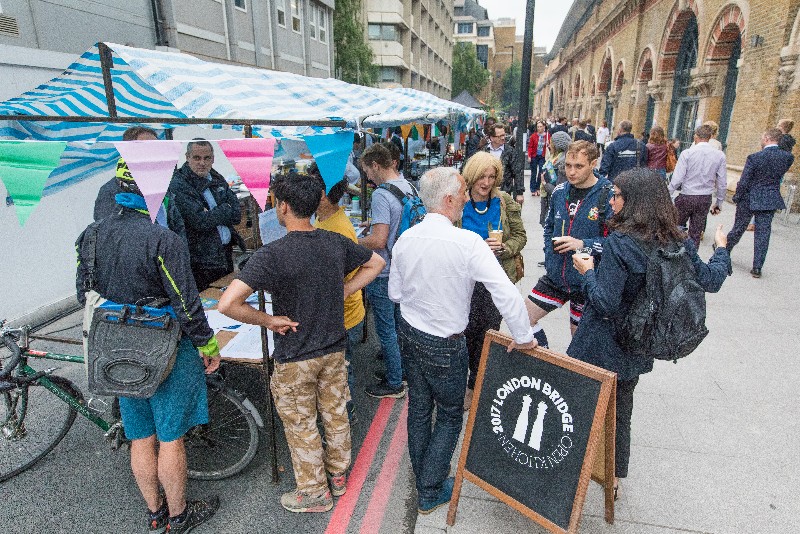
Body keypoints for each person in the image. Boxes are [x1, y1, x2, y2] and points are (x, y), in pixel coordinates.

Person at [218, 171, 384, 513]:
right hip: (334, 349)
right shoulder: (333, 241)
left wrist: (268, 320)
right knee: (336, 414)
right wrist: (346, 290)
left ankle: (313, 493)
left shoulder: (272, 254)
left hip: (295, 354)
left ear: (283, 207)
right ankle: (338, 477)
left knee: (301, 423)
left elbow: (227, 303)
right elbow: (377, 262)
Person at [568, 167, 731, 499]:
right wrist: (721, 248)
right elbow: (711, 280)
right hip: (637, 346)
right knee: (620, 412)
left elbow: (605, 302)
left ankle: (568, 468)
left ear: (633, 202)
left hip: (600, 345)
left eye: (615, 195)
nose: (610, 201)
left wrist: (586, 272)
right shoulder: (677, 241)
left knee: (578, 405)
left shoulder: (621, 243)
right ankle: (612, 478)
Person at [77, 169, 222, 534]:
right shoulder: (163, 239)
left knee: (139, 433)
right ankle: (179, 515)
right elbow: (186, 303)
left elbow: (84, 293)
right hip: (164, 344)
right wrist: (207, 343)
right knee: (171, 436)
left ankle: (154, 513)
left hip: (115, 346)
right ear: (155, 194)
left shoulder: (90, 235)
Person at [388, 166, 538, 515]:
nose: (468, 198)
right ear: (450, 199)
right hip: (445, 343)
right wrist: (524, 337)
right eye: (463, 192)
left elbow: (395, 292)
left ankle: (422, 472)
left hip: (410, 335)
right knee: (451, 416)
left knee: (420, 407)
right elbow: (506, 292)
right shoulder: (467, 242)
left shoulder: (407, 238)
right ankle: (429, 489)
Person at [458, 152, 547, 410]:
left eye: (491, 176)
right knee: (462, 333)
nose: (486, 182)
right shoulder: (459, 203)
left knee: (486, 334)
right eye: (481, 176)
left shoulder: (504, 202)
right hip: (465, 280)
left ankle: (475, 384)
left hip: (496, 280)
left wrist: (505, 247)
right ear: (471, 176)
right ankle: (462, 381)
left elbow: (521, 236)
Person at [528, 141, 613, 339]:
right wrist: (550, 256)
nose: (571, 172)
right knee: (522, 319)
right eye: (567, 166)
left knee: (579, 343)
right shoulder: (559, 192)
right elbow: (549, 227)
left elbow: (616, 243)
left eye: (579, 166)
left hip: (586, 281)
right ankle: (545, 363)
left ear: (593, 164)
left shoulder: (607, 195)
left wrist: (583, 244)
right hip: (557, 277)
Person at [358, 143, 414, 398]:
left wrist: (351, 240)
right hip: (405, 268)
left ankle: (394, 383)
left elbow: (379, 241)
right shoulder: (408, 186)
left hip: (383, 271)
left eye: (367, 171)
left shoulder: (381, 194)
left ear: (376, 166)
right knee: (401, 325)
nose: (367, 177)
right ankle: (400, 370)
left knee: (386, 329)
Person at [312, 168, 365, 422]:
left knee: (342, 371)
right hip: (340, 314)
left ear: (321, 194)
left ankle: (346, 416)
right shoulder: (324, 218)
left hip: (343, 316)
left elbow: (342, 275)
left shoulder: (337, 229)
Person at [169, 139, 242, 291]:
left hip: (225, 252)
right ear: (187, 157)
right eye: (197, 158)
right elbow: (200, 221)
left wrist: (214, 213)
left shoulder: (215, 177)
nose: (202, 163)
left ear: (213, 158)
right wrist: (224, 209)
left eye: (207, 158)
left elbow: (236, 214)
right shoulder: (180, 183)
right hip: (202, 260)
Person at [93, 127, 185, 241]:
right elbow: (109, 237)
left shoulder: (162, 186)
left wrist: (180, 252)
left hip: (168, 253)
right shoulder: (112, 190)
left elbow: (177, 228)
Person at [725, 128, 795, 278]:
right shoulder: (787, 157)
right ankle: (757, 267)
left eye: (763, 137)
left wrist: (737, 196)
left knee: (739, 227)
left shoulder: (755, 157)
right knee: (763, 233)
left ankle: (725, 251)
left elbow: (744, 181)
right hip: (769, 197)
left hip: (749, 197)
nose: (761, 140)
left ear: (768, 138)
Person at [668, 125, 728, 247]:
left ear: (695, 136)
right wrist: (719, 202)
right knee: (695, 232)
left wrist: (667, 193)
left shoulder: (687, 153)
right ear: (710, 137)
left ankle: (674, 253)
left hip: (687, 196)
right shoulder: (719, 155)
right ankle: (691, 259)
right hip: (704, 198)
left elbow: (677, 179)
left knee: (676, 228)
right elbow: (722, 182)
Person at [484, 122, 525, 206]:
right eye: (500, 136)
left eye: (504, 135)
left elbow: (518, 172)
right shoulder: (484, 151)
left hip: (504, 192)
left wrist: (519, 192)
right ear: (491, 138)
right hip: (485, 192)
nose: (503, 138)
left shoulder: (510, 151)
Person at [539, 130, 571, 228]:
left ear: (557, 145)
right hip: (548, 201)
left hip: (556, 205)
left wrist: (545, 184)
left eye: (551, 143)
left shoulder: (562, 164)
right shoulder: (553, 158)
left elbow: (560, 190)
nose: (548, 144)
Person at [527, 120, 550, 196]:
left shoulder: (547, 135)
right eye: (538, 127)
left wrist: (548, 145)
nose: (539, 128)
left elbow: (550, 146)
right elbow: (530, 147)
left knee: (541, 172)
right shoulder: (533, 136)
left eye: (540, 126)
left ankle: (538, 188)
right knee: (533, 173)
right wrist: (529, 156)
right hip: (534, 155)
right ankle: (532, 189)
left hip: (542, 156)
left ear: (544, 127)